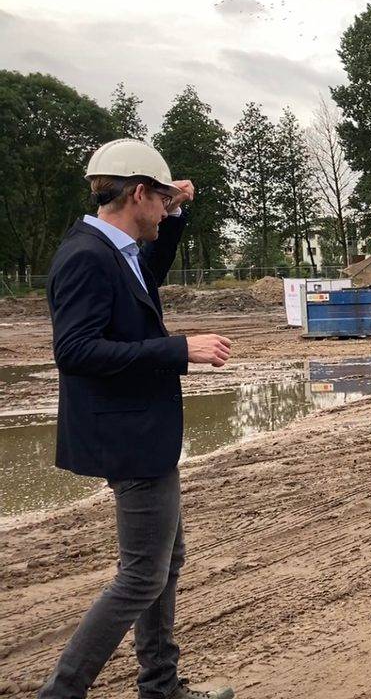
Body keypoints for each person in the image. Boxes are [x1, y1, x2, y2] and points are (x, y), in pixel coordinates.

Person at [40, 139, 234, 699]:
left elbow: (150, 268)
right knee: (142, 575)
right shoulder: (87, 257)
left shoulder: (114, 249)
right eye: (161, 201)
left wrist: (177, 211)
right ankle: (61, 692)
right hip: (127, 434)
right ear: (139, 193)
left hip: (141, 429)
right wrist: (179, 350)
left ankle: (160, 684)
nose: (165, 211)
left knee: (164, 560)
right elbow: (74, 351)